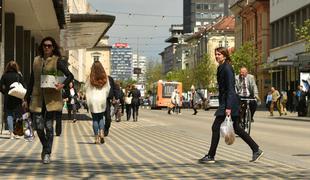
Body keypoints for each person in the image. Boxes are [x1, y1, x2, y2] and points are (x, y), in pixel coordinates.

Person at [199, 47, 263, 164]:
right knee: (237, 128)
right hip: (228, 102)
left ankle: (211, 155)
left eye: (219, 54)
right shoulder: (221, 67)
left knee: (215, 127)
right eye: (216, 54)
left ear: (224, 55)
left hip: (229, 102)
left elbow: (230, 89)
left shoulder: (227, 68)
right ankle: (256, 150)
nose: (217, 56)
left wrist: (228, 107)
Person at [24, 36, 73, 164]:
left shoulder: (57, 61)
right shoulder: (36, 61)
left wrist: (62, 85)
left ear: (53, 48)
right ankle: (46, 147)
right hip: (37, 98)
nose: (47, 47)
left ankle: (47, 153)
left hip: (51, 99)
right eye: (45, 45)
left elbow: (70, 76)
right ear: (42, 47)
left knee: (49, 127)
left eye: (49, 45)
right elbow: (31, 81)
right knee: (39, 127)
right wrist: (26, 98)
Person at [85, 61, 110, 144]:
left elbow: (86, 88)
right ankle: (102, 133)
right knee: (101, 118)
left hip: (93, 100)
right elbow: (108, 89)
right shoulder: (105, 77)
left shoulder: (90, 77)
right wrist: (104, 96)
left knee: (95, 119)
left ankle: (96, 138)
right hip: (101, 99)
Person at [0, 60, 25, 139]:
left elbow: (0, 86)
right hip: (17, 98)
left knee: (9, 115)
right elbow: (24, 86)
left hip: (8, 98)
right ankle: (17, 131)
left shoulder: (5, 76)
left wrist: (5, 92)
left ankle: (11, 133)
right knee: (17, 114)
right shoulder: (18, 75)